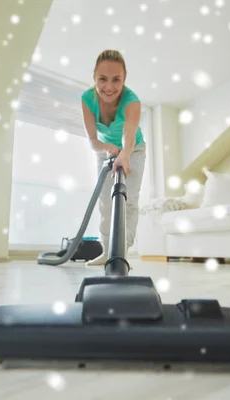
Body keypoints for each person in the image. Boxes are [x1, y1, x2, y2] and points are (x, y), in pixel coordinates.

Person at [80, 49, 147, 266]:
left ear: (124, 80)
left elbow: (129, 133)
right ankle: (106, 251)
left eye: (116, 80)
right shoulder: (87, 100)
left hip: (133, 149)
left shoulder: (132, 101)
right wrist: (110, 148)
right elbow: (93, 141)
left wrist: (125, 154)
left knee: (129, 200)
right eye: (103, 79)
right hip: (105, 149)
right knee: (105, 202)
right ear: (94, 78)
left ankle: (120, 254)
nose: (109, 87)